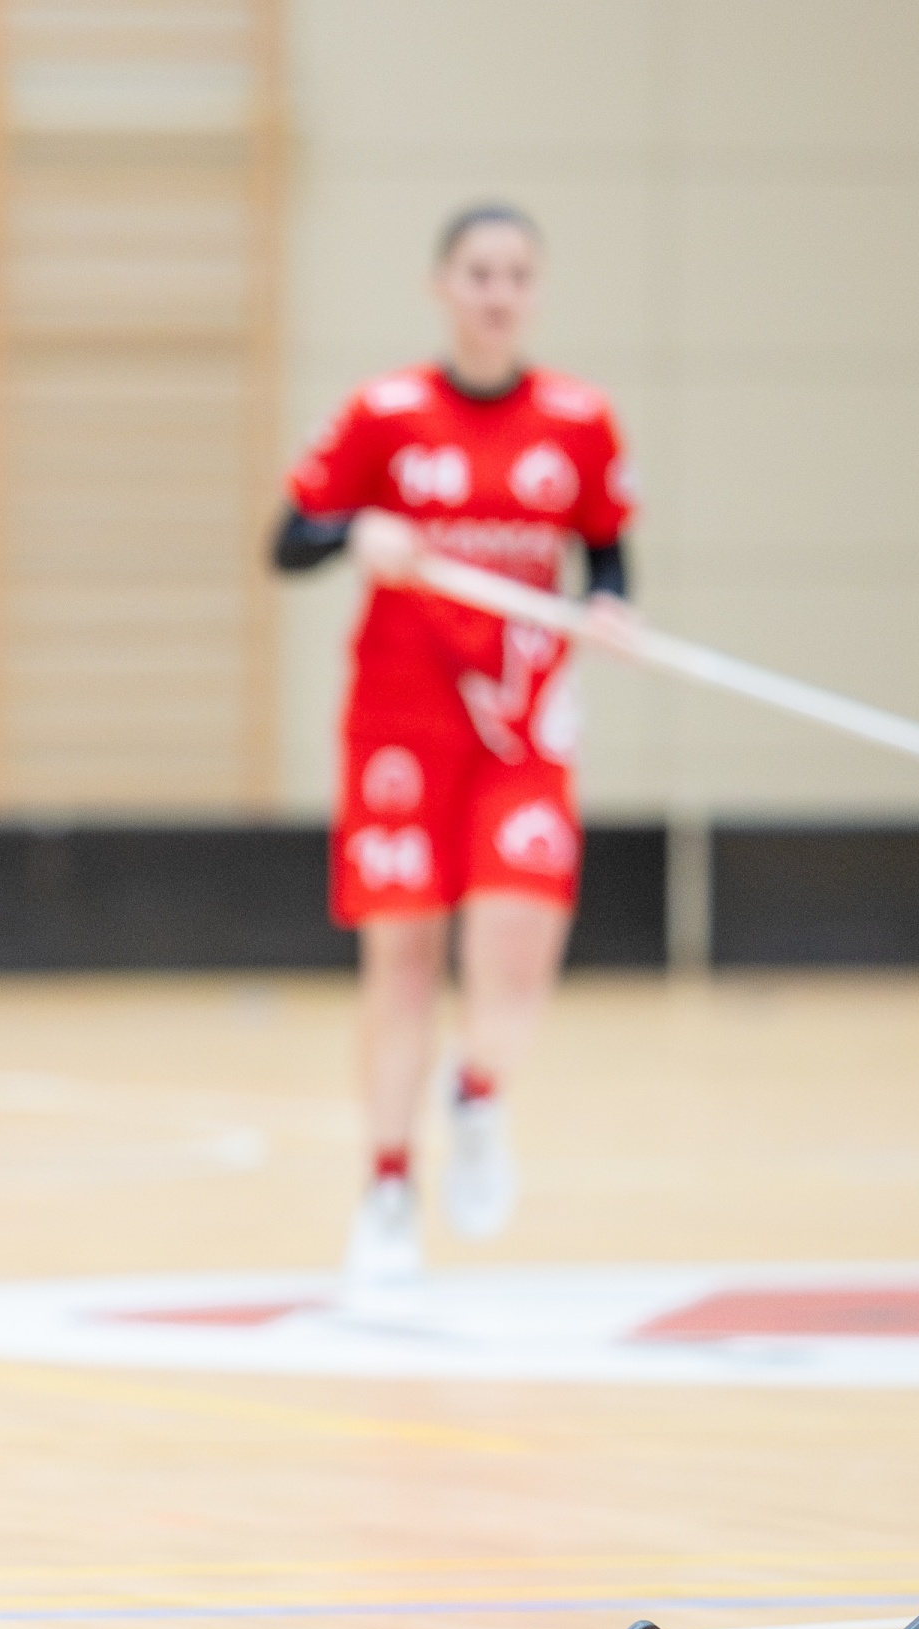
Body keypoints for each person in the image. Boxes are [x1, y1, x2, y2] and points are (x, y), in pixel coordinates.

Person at [271, 204, 639, 1281]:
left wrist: (610, 607)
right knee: (404, 961)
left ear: (537, 291)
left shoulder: (580, 421)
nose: (497, 292)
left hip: (522, 729)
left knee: (517, 946)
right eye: (478, 272)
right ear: (442, 285)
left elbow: (607, 551)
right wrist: (355, 531)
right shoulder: (384, 414)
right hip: (402, 726)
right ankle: (388, 1184)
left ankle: (477, 1093)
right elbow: (288, 539)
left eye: (517, 273)